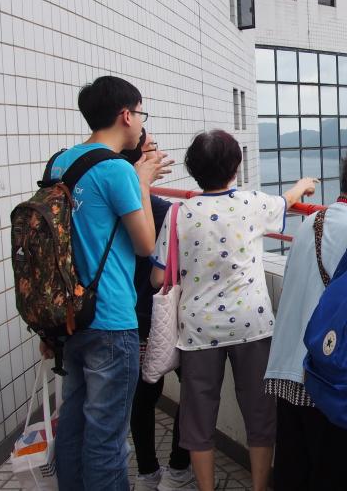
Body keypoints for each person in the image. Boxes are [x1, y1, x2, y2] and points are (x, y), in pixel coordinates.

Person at [150, 130, 316, 491]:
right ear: (235, 166)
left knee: (198, 418)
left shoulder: (179, 211)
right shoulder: (252, 203)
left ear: (193, 169)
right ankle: (259, 487)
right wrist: (301, 186)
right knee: (259, 413)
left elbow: (158, 275)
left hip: (197, 331)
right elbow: (285, 202)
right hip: (251, 326)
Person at [47, 76, 171, 490]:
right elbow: (145, 244)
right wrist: (142, 180)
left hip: (67, 315)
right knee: (106, 438)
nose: (140, 125)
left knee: (74, 425)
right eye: (140, 114)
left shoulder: (60, 162)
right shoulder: (116, 169)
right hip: (110, 319)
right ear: (126, 114)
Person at [264, 145, 347, 491]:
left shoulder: (312, 220)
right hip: (326, 380)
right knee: (334, 476)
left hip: (286, 371)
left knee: (292, 473)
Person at [122, 129, 196, 491]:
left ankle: (148, 472)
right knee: (192, 389)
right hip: (165, 315)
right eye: (151, 149)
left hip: (127, 315)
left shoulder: (113, 203)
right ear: (138, 162)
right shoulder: (165, 210)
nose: (159, 154)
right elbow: (161, 273)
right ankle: (178, 468)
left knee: (143, 396)